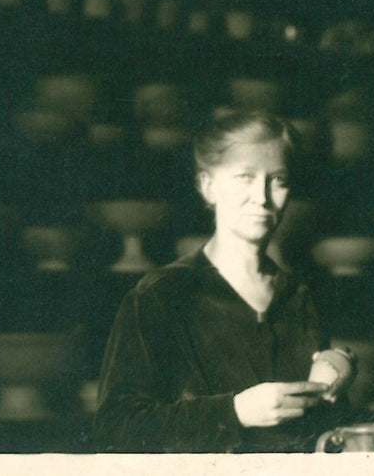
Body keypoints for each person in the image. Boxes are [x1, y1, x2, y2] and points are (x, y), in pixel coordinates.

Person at [94, 111, 347, 452]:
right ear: (208, 186)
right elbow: (116, 430)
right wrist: (233, 412)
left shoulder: (299, 297)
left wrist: (337, 375)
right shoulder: (162, 296)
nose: (262, 197)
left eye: (278, 180)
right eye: (245, 177)